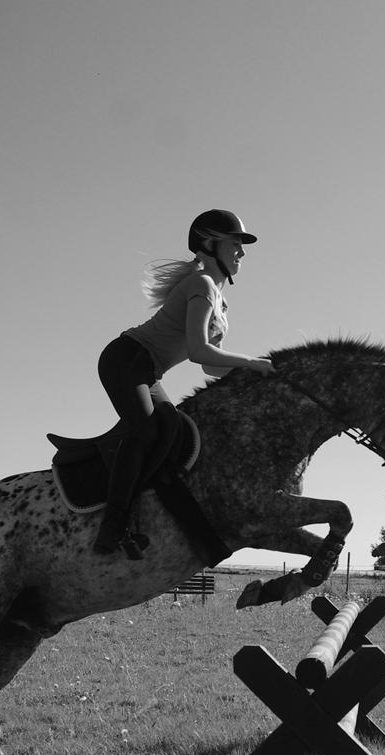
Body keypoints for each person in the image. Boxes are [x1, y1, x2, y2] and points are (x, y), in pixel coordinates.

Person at [94, 209, 276, 556]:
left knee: (173, 433)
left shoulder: (221, 302)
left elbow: (210, 365)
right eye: (235, 243)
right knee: (146, 430)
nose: (242, 251)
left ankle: (157, 520)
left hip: (146, 371)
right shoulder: (202, 284)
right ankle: (112, 526)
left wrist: (257, 377)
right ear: (210, 244)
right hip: (125, 359)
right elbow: (198, 351)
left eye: (242, 244)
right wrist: (252, 363)